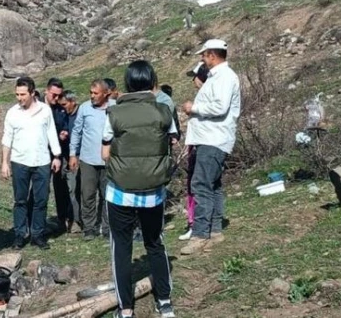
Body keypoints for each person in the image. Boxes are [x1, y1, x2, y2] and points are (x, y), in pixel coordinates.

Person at [102, 60, 177, 318]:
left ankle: (125, 309)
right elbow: (171, 142)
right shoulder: (163, 111)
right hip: (153, 191)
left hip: (120, 191)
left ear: (127, 83)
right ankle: (165, 302)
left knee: (121, 249)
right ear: (152, 81)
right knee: (155, 243)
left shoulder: (113, 113)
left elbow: (105, 152)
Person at [180, 39, 241, 256]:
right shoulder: (219, 77)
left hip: (213, 138)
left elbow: (220, 106)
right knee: (212, 185)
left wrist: (193, 107)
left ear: (213, 55)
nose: (202, 59)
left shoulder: (224, 77)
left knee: (200, 185)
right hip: (210, 137)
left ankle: (200, 234)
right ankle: (214, 230)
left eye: (204, 55)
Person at [1, 77, 61, 250]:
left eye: (23, 94)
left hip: (42, 161)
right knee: (20, 200)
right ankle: (20, 234)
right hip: (19, 161)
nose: (20, 98)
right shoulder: (13, 112)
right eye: (17, 94)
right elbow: (7, 138)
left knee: (41, 200)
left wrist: (56, 155)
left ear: (32, 93)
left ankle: (38, 234)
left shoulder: (45, 110)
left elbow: (51, 133)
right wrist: (5, 162)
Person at [70, 78, 113, 240]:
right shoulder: (85, 108)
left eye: (96, 93)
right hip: (88, 160)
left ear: (106, 93)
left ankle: (107, 227)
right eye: (91, 93)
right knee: (87, 194)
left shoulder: (115, 107)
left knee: (107, 195)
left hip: (109, 160)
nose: (92, 96)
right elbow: (77, 131)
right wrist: (73, 154)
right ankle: (89, 227)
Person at [179, 63, 209, 241]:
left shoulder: (205, 97)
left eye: (195, 76)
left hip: (200, 143)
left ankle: (196, 223)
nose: (193, 80)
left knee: (196, 184)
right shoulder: (202, 96)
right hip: (195, 142)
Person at [47, 79, 77, 233]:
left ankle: (67, 218)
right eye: (54, 95)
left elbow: (65, 124)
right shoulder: (39, 107)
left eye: (59, 95)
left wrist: (64, 132)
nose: (56, 98)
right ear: (47, 91)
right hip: (42, 154)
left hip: (60, 153)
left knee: (63, 187)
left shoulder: (60, 109)